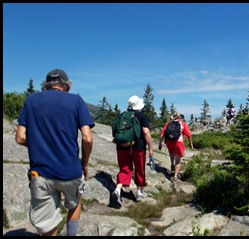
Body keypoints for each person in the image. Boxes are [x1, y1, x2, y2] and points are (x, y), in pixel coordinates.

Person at [15, 69, 95, 236]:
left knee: (47, 222)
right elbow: (87, 138)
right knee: (74, 203)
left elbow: (20, 137)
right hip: (70, 171)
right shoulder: (76, 100)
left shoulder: (31, 100)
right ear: (67, 86)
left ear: (47, 85)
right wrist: (85, 164)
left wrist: (40, 144)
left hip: (41, 172)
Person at [112, 95, 154, 203]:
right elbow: (146, 132)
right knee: (139, 169)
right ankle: (139, 193)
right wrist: (150, 147)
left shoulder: (122, 115)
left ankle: (117, 189)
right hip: (138, 147)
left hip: (121, 146)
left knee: (124, 169)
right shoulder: (140, 116)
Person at [158, 112, 193, 182]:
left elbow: (162, 133)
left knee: (171, 153)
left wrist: (160, 143)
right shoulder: (183, 124)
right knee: (178, 160)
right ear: (179, 117)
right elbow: (188, 134)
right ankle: (175, 177)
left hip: (169, 142)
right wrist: (190, 143)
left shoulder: (168, 124)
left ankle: (172, 164)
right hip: (178, 143)